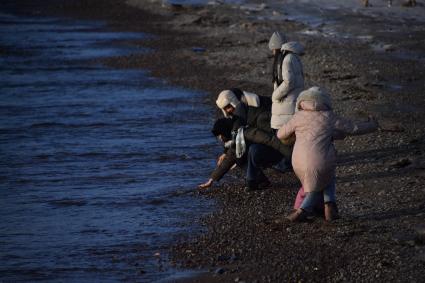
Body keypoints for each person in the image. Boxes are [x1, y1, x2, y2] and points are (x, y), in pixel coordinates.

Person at [277, 86, 378, 222]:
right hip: (320, 161)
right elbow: (354, 128)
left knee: (322, 180)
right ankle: (302, 211)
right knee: (317, 186)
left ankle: (328, 207)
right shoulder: (329, 117)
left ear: (303, 100)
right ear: (324, 101)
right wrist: (373, 125)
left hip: (297, 161)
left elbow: (280, 134)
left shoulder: (298, 117)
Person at [198, 117, 294, 190]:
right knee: (239, 157)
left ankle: (253, 180)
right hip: (269, 158)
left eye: (220, 134)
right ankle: (261, 181)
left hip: (279, 158)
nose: (219, 138)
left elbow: (270, 140)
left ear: (225, 131)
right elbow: (228, 160)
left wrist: (291, 155)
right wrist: (212, 179)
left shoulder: (246, 132)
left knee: (253, 150)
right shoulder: (235, 139)